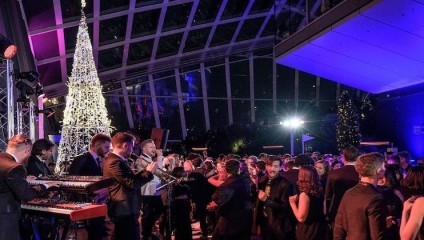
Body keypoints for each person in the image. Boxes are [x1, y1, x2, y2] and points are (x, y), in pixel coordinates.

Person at [0, 134, 59, 240]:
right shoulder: (14, 167)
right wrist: (45, 185)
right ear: (27, 150)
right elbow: (27, 195)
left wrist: (23, 181)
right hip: (5, 219)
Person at [103, 132, 156, 240]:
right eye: (132, 146)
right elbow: (132, 183)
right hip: (124, 209)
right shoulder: (115, 162)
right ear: (125, 146)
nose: (132, 150)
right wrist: (148, 172)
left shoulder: (117, 160)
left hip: (126, 209)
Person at [333, 152, 388, 240]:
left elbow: (339, 226)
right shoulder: (375, 197)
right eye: (384, 166)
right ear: (378, 170)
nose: (385, 169)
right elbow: (377, 236)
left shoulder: (349, 193)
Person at [68, 133, 111, 240]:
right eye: (106, 147)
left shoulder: (98, 160)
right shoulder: (82, 159)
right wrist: (94, 190)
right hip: (86, 203)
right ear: (97, 145)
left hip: (96, 203)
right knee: (95, 233)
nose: (108, 150)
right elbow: (73, 180)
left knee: (97, 233)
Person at [207, 159, 252, 240]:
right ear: (239, 169)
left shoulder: (226, 185)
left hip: (230, 223)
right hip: (244, 220)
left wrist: (215, 206)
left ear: (226, 170)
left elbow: (222, 206)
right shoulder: (245, 181)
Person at [257, 156, 296, 240]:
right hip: (264, 222)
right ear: (266, 166)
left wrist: (266, 200)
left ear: (280, 168)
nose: (272, 169)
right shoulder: (262, 180)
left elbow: (284, 207)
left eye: (276, 166)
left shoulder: (285, 184)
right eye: (270, 166)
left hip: (278, 225)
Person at [325, 146, 359, 226]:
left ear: (343, 157)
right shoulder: (362, 173)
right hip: (357, 210)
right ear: (357, 157)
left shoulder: (334, 173)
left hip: (338, 209)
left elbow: (328, 195)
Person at [138, 138, 164, 240]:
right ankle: (146, 233)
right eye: (151, 147)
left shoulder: (149, 159)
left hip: (154, 190)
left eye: (154, 146)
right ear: (144, 149)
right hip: (148, 191)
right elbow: (159, 172)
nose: (154, 149)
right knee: (149, 212)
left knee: (157, 210)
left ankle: (147, 231)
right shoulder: (141, 160)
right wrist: (160, 157)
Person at [289, 166, 325, 240]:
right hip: (320, 228)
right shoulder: (320, 191)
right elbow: (324, 211)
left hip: (308, 231)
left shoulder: (304, 195)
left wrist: (292, 203)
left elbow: (301, 218)